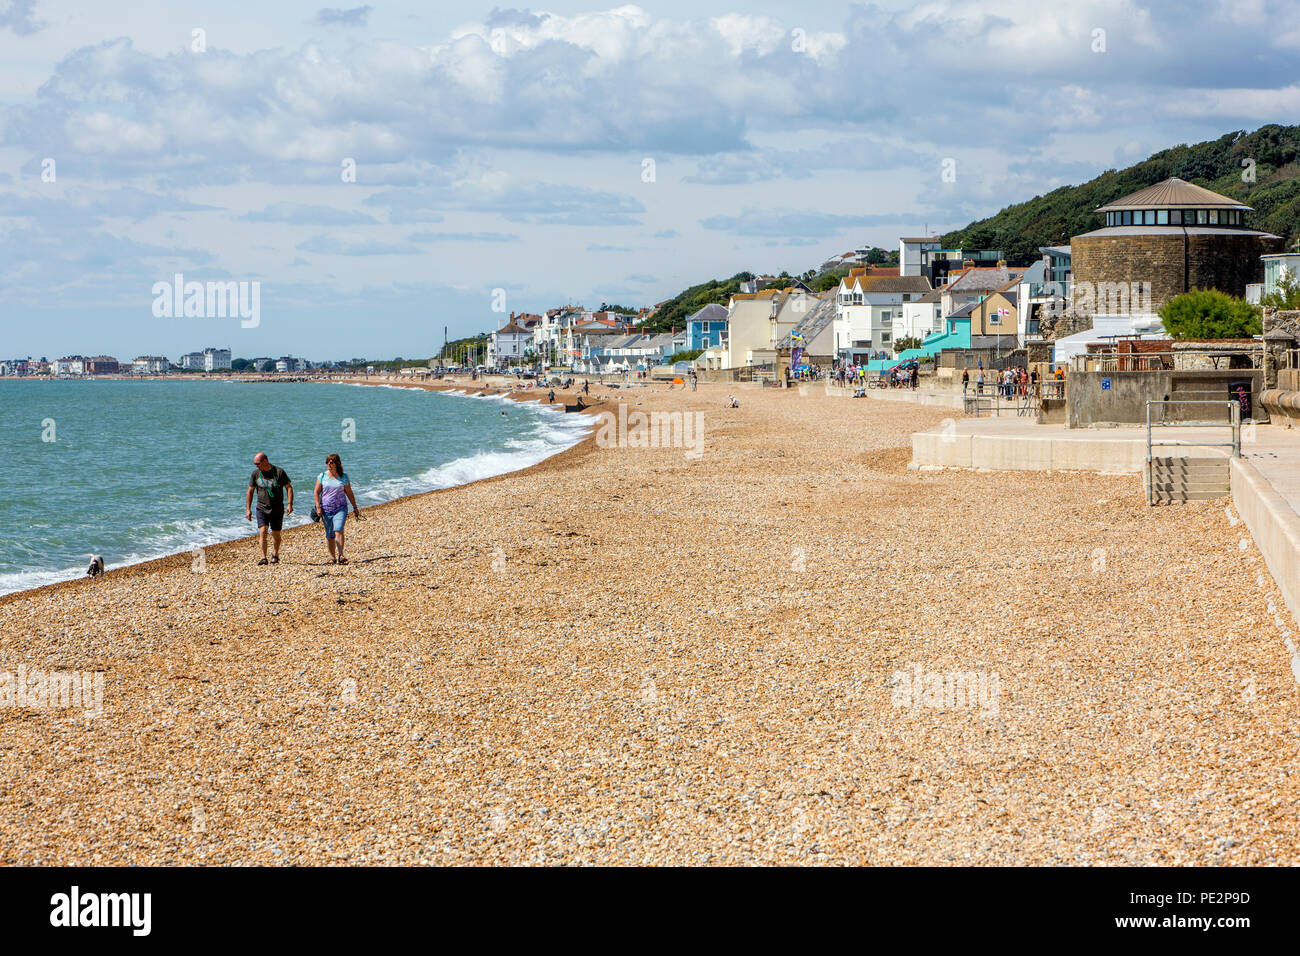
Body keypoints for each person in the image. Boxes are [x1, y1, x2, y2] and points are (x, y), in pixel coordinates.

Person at [314, 453, 362, 565]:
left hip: (341, 508)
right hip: (326, 509)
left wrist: (355, 507)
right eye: (328, 462)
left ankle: (340, 555)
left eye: (332, 462)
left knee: (339, 529)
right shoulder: (322, 476)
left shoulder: (343, 477)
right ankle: (332, 557)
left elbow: (349, 493)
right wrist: (318, 507)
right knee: (330, 535)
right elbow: (316, 492)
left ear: (337, 463)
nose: (329, 464)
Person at [246, 452, 293, 565]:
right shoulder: (255, 474)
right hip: (261, 507)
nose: (256, 466)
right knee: (263, 531)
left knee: (276, 534)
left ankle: (275, 554)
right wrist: (248, 509)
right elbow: (250, 491)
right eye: (255, 464)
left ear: (265, 461)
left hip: (277, 508)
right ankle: (263, 557)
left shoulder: (279, 472)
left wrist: (290, 504)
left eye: (258, 463)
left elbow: (289, 488)